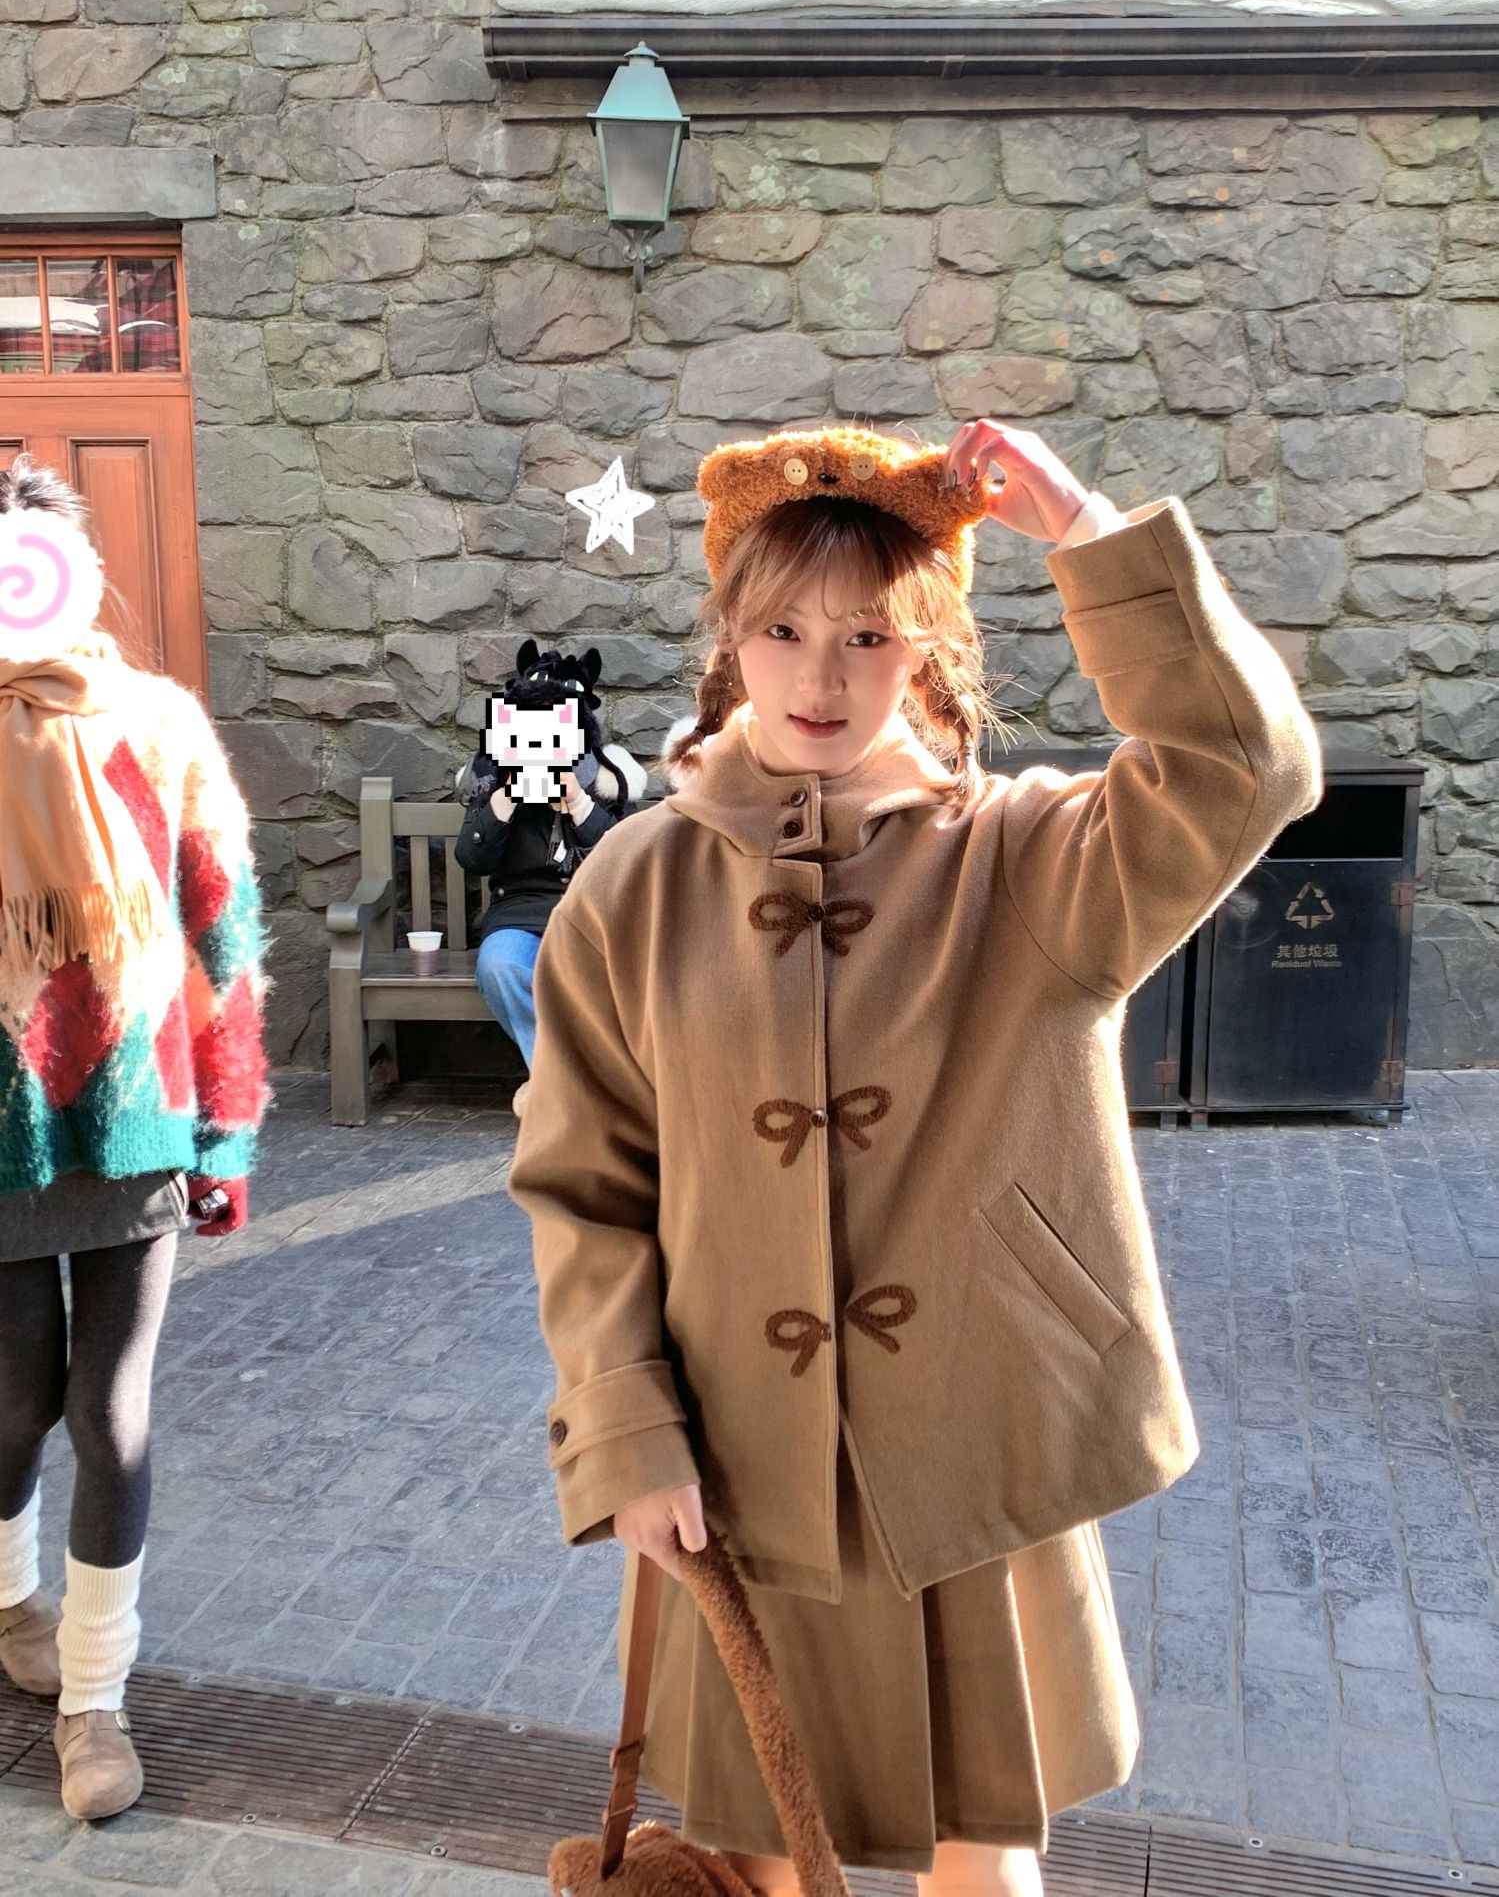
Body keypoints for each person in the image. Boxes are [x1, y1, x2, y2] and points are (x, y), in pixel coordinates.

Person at [507, 420, 1322, 1895]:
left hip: (975, 1465)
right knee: (758, 1850)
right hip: (735, 1465)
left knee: (982, 1862)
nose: (819, 676)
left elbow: (1243, 766)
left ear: (927, 649)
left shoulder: (1030, 859)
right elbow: (582, 1181)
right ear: (729, 635)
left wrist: (1087, 534)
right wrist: (623, 1426)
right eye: (782, 629)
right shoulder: (634, 884)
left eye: (868, 635)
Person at [0, 457, 270, 1821]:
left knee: (110, 1410)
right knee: (11, 1401)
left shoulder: (156, 724)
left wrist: (227, 1129)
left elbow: (223, 928)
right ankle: (12, 1599)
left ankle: (94, 1700)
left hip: (133, 1114)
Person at [454, 639, 645, 1119]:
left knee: (607, 977)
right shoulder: (495, 780)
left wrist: (578, 802)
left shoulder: (603, 780)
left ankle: (558, 1088)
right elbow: (471, 858)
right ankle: (568, 1086)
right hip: (517, 912)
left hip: (590, 914)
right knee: (500, 966)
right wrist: (505, 799)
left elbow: (623, 861)